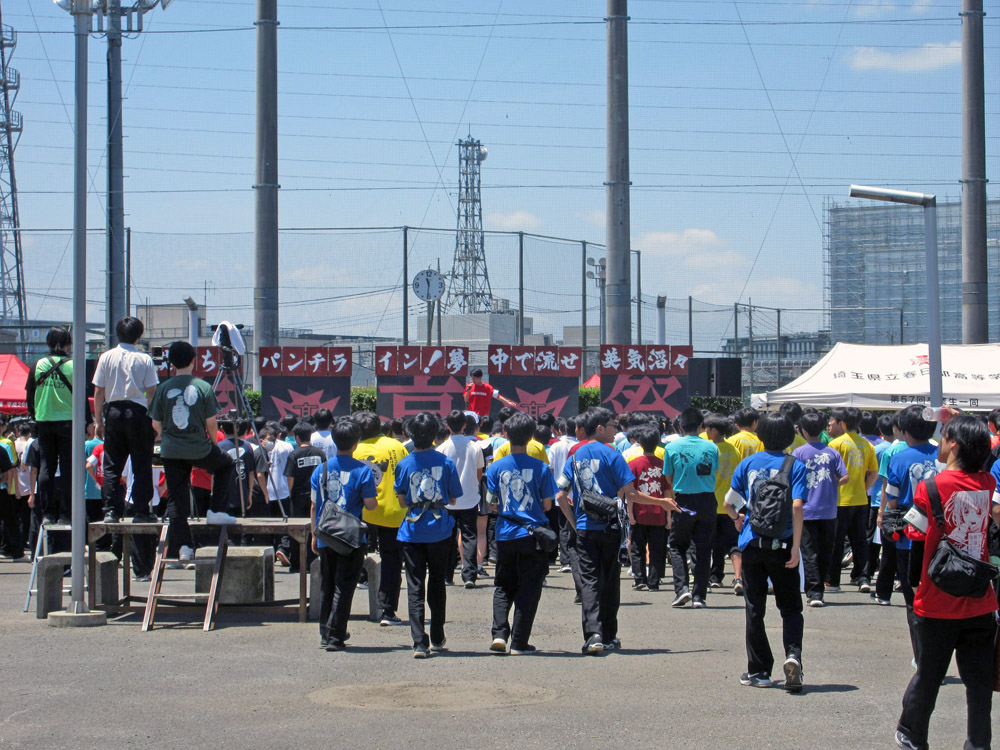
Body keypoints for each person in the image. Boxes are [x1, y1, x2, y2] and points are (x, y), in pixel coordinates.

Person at [895, 415, 998, 750]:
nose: (939, 442)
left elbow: (915, 530)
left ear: (953, 443)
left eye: (944, 437)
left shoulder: (931, 487)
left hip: (937, 598)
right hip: (980, 599)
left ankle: (912, 734)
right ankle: (978, 743)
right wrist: (958, 422)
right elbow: (988, 444)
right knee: (979, 682)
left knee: (929, 675)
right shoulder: (987, 483)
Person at [556, 407, 678, 655]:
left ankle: (593, 635)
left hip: (585, 528)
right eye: (612, 425)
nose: (616, 430)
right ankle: (610, 634)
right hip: (611, 527)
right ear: (599, 428)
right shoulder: (612, 456)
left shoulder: (575, 457)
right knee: (610, 580)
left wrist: (573, 522)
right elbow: (631, 493)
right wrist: (662, 502)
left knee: (589, 581)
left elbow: (560, 495)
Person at [724, 412, 809, 692]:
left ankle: (759, 671)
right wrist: (796, 547)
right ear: (789, 436)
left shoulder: (748, 463)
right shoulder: (794, 465)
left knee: (754, 609)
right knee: (790, 608)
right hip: (783, 546)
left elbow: (729, 503)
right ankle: (793, 655)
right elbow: (797, 506)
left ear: (760, 435)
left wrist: (739, 517)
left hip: (752, 545)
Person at [148, 342, 238, 557]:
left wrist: (168, 436)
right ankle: (216, 510)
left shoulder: (163, 388)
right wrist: (214, 445)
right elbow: (211, 423)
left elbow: (155, 423)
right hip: (199, 448)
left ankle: (184, 547)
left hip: (171, 451)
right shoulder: (203, 387)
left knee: (176, 499)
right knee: (227, 464)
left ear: (171, 362)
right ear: (193, 360)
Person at [393, 412, 463, 659]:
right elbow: (453, 498)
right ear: (435, 434)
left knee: (414, 585)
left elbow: (402, 501)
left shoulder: (405, 464)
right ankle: (437, 634)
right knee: (437, 583)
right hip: (440, 530)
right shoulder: (445, 463)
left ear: (411, 435)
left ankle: (418, 642)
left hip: (412, 532)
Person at [486, 411, 555, 655]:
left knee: (503, 585)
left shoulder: (495, 468)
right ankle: (519, 642)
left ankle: (499, 635)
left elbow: (491, 503)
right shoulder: (542, 468)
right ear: (531, 437)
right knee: (529, 587)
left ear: (505, 434)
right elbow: (548, 504)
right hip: (533, 534)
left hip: (505, 533)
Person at [309, 418, 377, 651]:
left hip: (326, 534)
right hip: (350, 538)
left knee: (327, 585)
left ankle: (324, 632)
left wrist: (313, 534)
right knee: (345, 586)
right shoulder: (362, 471)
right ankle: (335, 636)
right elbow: (370, 506)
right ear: (356, 443)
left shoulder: (322, 468)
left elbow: (313, 505)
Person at [92, 316, 160, 524]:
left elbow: (98, 391)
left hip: (113, 411)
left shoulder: (106, 357)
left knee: (113, 463)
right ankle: (141, 510)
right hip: (138, 412)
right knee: (141, 462)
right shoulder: (144, 358)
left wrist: (99, 421)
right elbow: (151, 392)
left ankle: (111, 511)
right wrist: (155, 421)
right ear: (138, 336)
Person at [878, 406, 940, 625]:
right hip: (941, 536)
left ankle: (920, 652)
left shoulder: (898, 459)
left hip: (909, 536)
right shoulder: (943, 455)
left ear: (904, 431)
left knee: (912, 597)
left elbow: (892, 501)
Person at [352, 411, 408, 627]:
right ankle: (388, 610)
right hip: (392, 512)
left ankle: (343, 607)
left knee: (353, 556)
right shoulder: (396, 446)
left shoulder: (355, 448)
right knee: (392, 562)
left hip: (361, 512)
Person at [664, 407, 719, 608]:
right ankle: (699, 597)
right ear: (701, 426)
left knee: (678, 545)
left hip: (683, 500)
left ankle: (682, 589)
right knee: (704, 549)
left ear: (680, 425)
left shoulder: (672, 447)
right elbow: (714, 472)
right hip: (707, 500)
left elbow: (668, 477)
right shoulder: (711, 447)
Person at [793, 412, 848, 607]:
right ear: (824, 428)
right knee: (826, 551)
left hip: (806, 510)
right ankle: (818, 589)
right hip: (829, 509)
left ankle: (814, 592)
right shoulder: (832, 452)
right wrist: (832, 484)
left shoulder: (799, 453)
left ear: (803, 431)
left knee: (809, 552)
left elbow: (790, 478)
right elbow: (845, 476)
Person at [25, 326, 73, 524]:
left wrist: (33, 415)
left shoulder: (38, 365)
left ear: (48, 344)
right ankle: (65, 513)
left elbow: (29, 394)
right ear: (67, 344)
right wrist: (87, 422)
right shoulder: (72, 365)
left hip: (44, 420)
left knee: (46, 467)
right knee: (69, 468)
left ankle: (47, 513)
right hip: (68, 422)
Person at [827, 406, 878, 594]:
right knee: (861, 541)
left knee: (837, 541)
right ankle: (863, 577)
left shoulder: (835, 444)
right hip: (861, 499)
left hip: (840, 500)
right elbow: (873, 473)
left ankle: (833, 581)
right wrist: (863, 489)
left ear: (843, 423)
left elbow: (831, 473)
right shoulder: (867, 445)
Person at [437, 409, 485, 588]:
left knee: (448, 538)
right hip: (470, 498)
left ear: (447, 426)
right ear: (465, 425)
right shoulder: (475, 447)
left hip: (448, 501)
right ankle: (470, 574)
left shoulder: (441, 449)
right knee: (469, 536)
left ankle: (447, 575)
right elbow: (479, 473)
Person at [705, 413, 744, 595]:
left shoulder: (709, 450)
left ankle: (713, 577)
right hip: (731, 503)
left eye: (707, 428)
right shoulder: (733, 450)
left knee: (711, 543)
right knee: (733, 543)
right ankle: (737, 577)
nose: (705, 431)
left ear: (714, 430)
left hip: (712, 502)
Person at [626, 424, 668, 591]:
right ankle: (654, 581)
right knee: (658, 549)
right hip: (659, 512)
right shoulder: (663, 464)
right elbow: (667, 491)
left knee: (637, 547)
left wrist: (629, 512)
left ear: (640, 443)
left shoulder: (634, 464)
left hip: (639, 512)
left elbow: (630, 491)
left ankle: (639, 578)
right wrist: (669, 515)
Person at [283, 422, 326, 572]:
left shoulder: (294, 454)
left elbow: (290, 477)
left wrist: (289, 494)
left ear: (297, 438)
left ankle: (296, 564)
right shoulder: (320, 453)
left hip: (298, 497)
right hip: (316, 496)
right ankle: (312, 562)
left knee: (296, 531)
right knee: (314, 528)